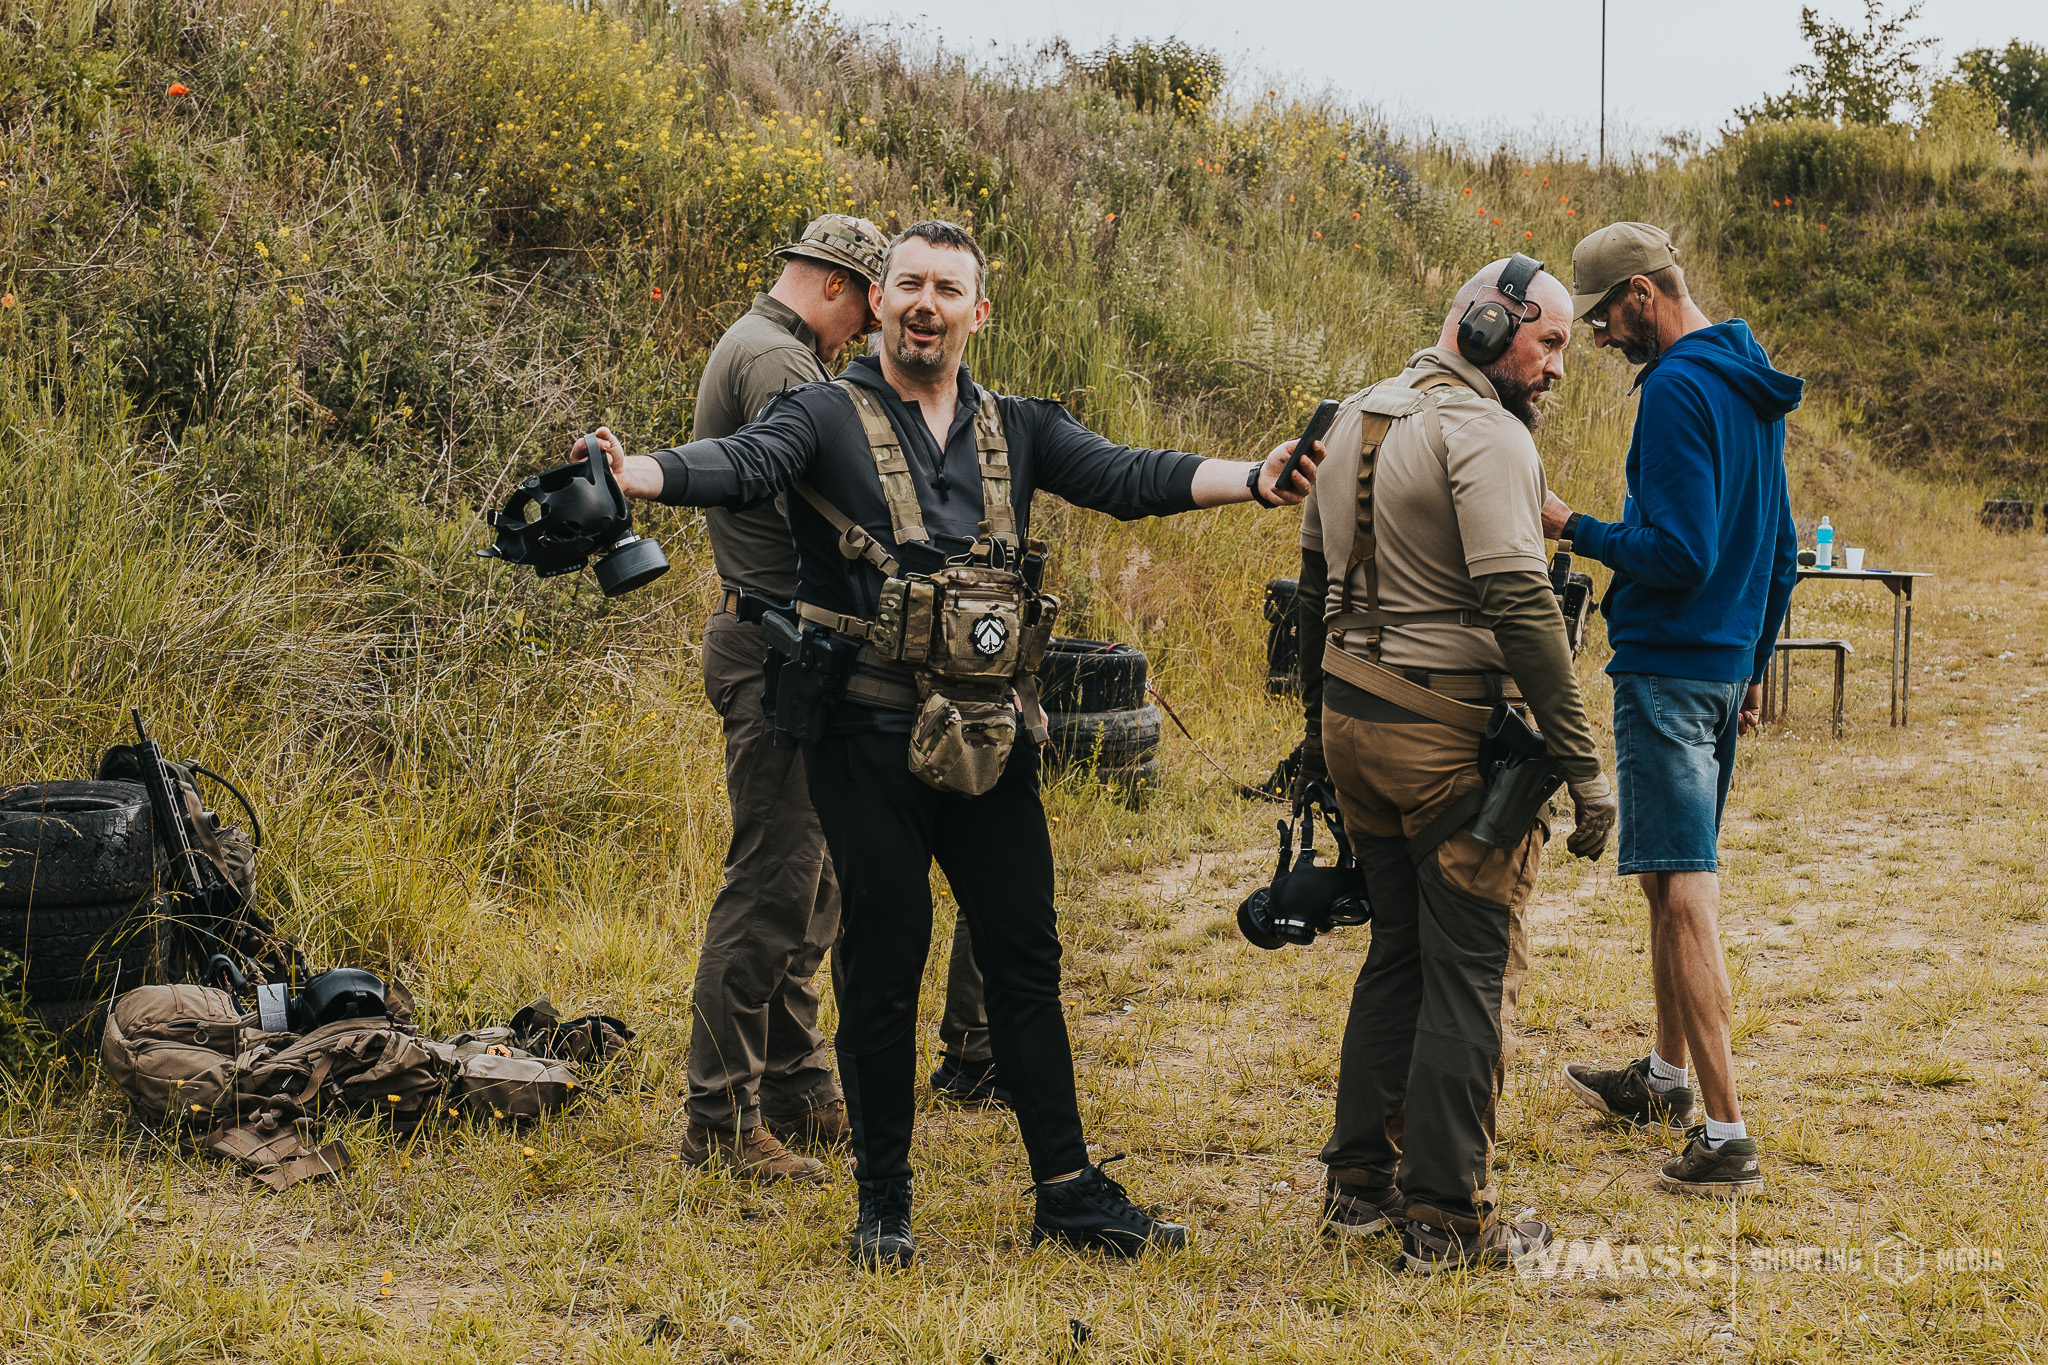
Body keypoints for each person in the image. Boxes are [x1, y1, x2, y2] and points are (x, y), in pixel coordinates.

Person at [576, 220, 1322, 1267]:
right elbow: (741, 465)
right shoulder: (817, 414)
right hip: (863, 736)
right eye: (908, 285)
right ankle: (883, 1202)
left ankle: (1065, 1190)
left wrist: (1256, 475)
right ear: (876, 303)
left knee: (1024, 956)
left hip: (988, 737)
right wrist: (637, 474)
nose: (925, 303)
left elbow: (1128, 476)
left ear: (980, 311)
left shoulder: (1017, 426)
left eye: (947, 289)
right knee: (883, 964)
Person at [1297, 254, 1616, 1273]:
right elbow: (1521, 603)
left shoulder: (1353, 413)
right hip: (1444, 744)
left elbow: (1310, 587)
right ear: (1482, 324)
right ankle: (1443, 1219)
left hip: (1355, 726)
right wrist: (1583, 766)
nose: (1557, 366)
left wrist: (1316, 732)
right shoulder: (1483, 431)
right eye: (1548, 340)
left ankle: (1356, 1184)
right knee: (1470, 974)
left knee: (1397, 950)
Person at [1545, 221, 1800, 1198]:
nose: (1600, 339)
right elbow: (1774, 548)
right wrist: (1750, 665)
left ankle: (1726, 1135)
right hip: (1715, 670)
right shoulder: (1744, 380)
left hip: (1662, 672)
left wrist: (1573, 525)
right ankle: (1661, 1078)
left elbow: (1680, 552)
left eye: (1604, 317)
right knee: (1662, 877)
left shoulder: (1679, 393)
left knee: (1684, 890)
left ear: (1644, 295)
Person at [676, 214, 889, 1184]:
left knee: (812, 882)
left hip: (789, 646)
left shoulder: (759, 346)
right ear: (841, 289)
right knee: (769, 888)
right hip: (775, 653)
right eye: (863, 318)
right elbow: (857, 501)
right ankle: (718, 1122)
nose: (859, 343)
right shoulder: (779, 364)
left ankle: (796, 1086)